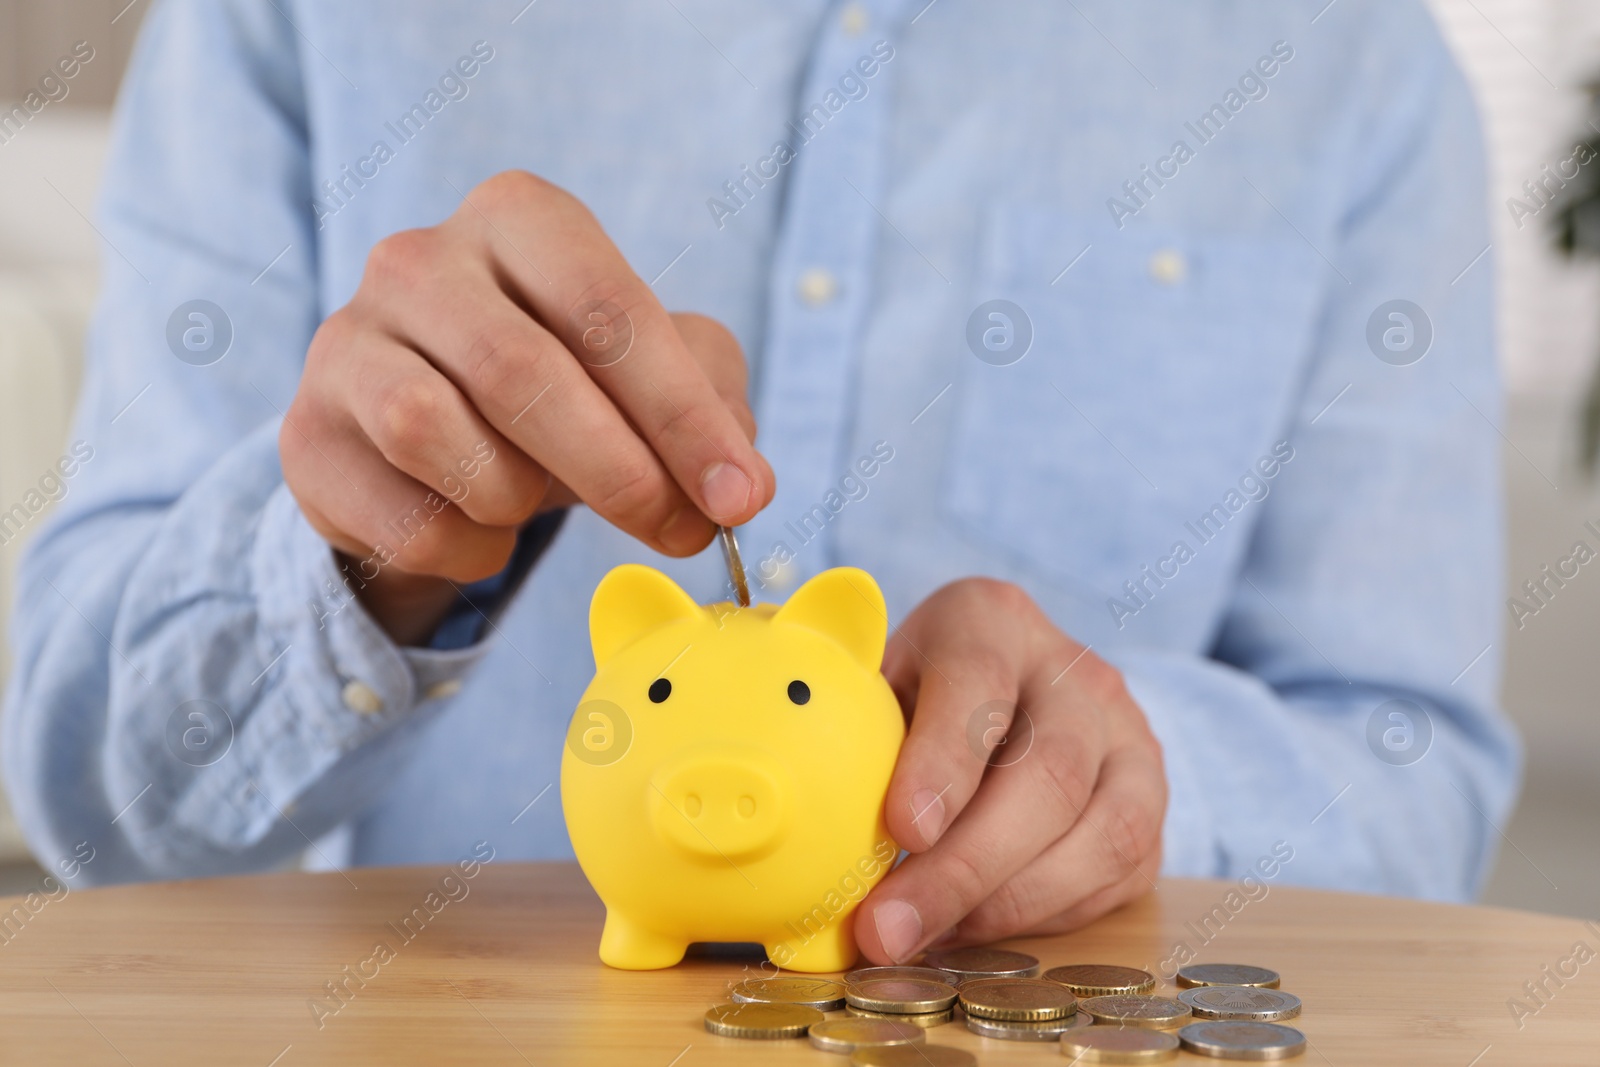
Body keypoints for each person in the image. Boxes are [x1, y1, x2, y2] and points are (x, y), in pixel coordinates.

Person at [2, 0, 1518, 965]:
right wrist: (357, 565)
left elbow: (1416, 764)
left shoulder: (1351, 60)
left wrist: (1137, 781)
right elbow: (93, 805)